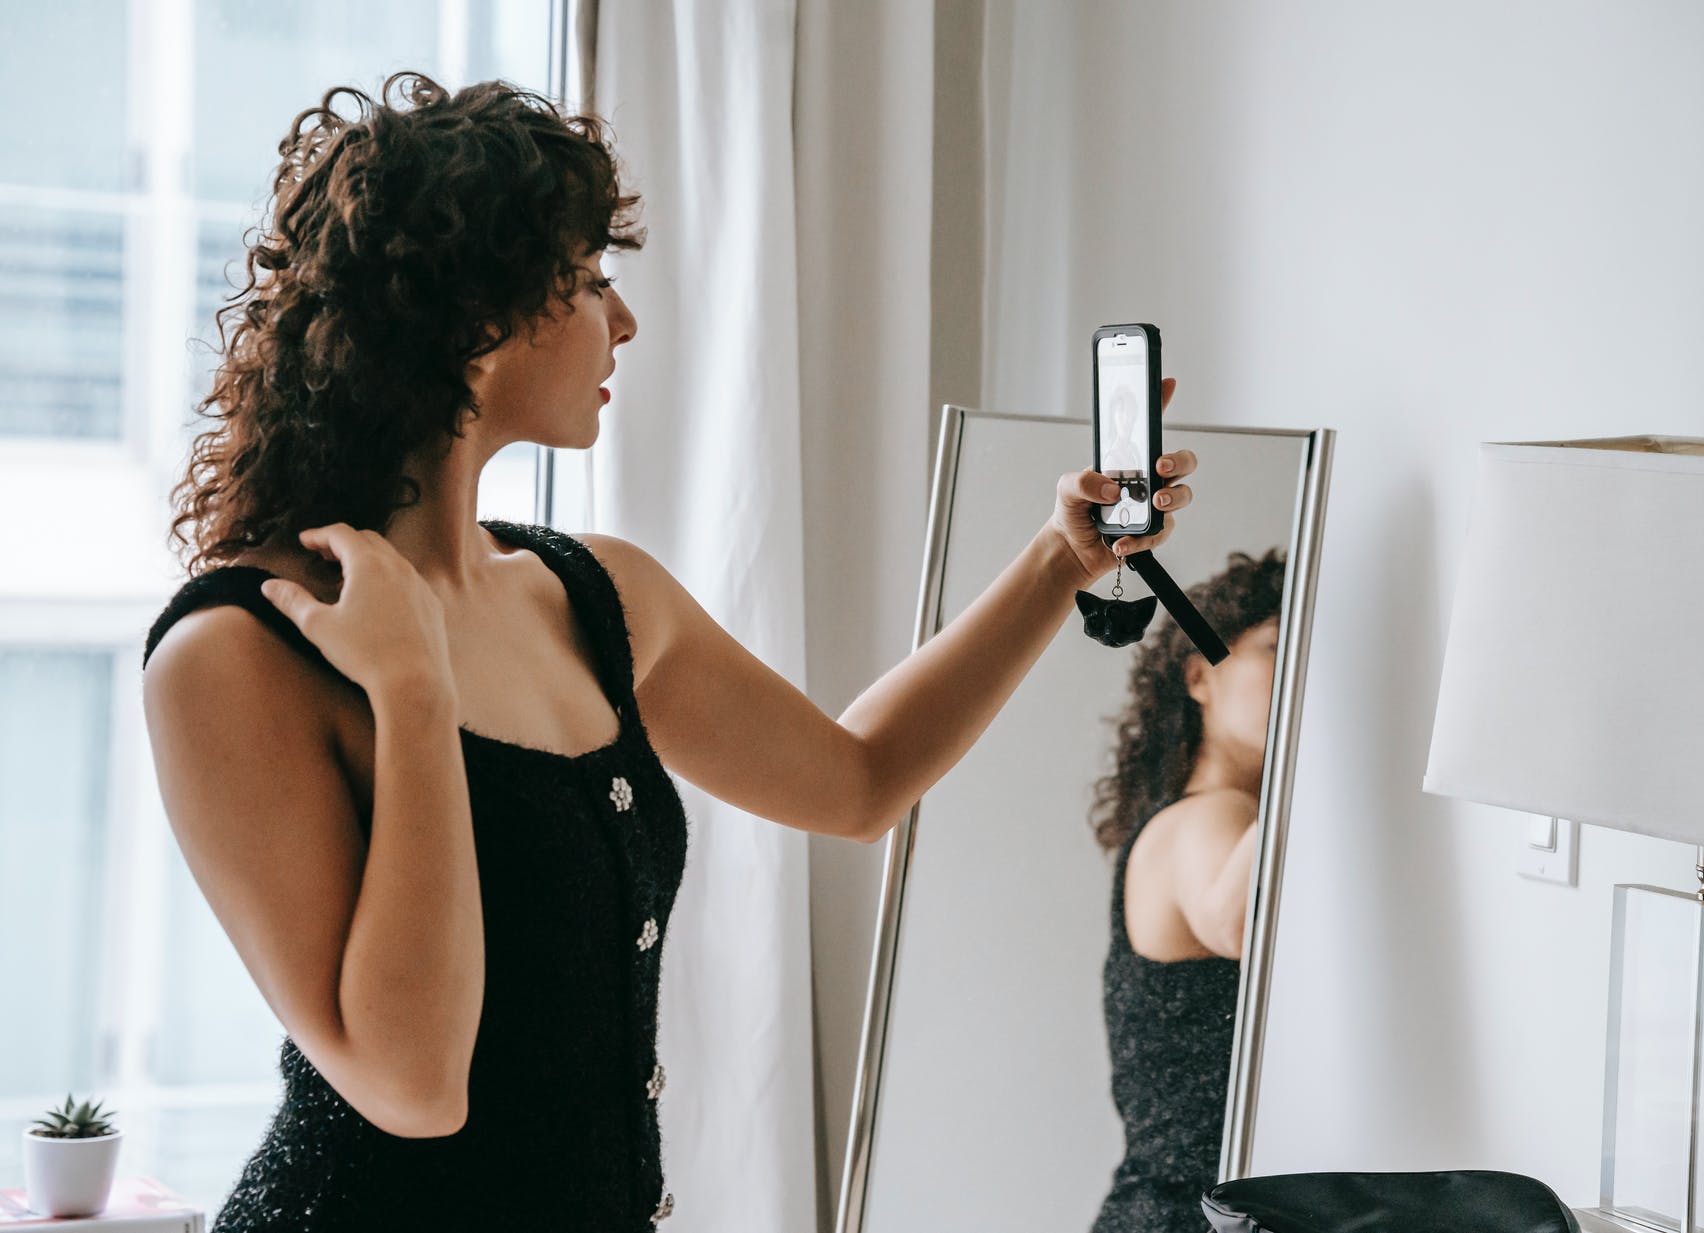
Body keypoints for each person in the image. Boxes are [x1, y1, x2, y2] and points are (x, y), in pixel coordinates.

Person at [137, 72, 1196, 1232]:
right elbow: (413, 1085)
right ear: (478, 324)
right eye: (590, 282)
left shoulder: (593, 592)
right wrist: (408, 688)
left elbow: (857, 783)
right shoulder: (236, 651)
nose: (623, 321)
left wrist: (1056, 558)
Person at [1087, 549, 1288, 1233]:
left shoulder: (1217, 816)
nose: (1300, 675)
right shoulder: (1204, 818)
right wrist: (1312, 740)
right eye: (1275, 647)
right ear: (1200, 675)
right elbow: (1237, 922)